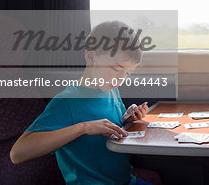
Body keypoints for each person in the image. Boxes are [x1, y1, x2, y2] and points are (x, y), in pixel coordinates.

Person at [10, 20, 151, 185]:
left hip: (126, 181)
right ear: (90, 56)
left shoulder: (111, 91)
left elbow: (112, 125)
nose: (121, 79)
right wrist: (84, 127)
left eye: (127, 73)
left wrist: (129, 119)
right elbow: (17, 154)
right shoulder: (67, 102)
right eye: (117, 69)